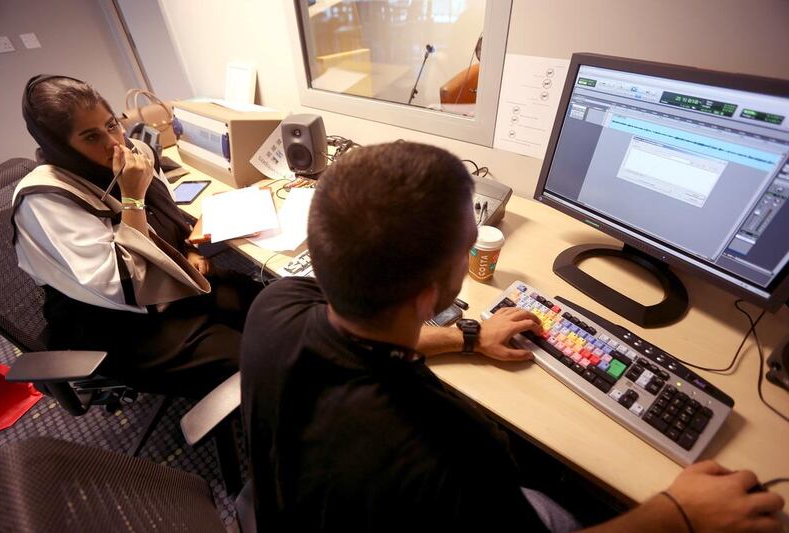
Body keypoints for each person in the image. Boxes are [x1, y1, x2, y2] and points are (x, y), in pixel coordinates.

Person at [241, 141, 786, 532]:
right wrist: (680, 513)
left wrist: (468, 337)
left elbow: (361, 342)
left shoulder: (276, 304)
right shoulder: (449, 447)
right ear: (435, 294)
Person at [13, 75, 261, 398]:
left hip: (173, 284)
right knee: (251, 362)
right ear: (60, 147)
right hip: (118, 323)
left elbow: (167, 220)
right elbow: (123, 284)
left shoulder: (131, 154)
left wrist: (188, 250)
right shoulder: (44, 200)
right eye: (91, 137)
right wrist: (133, 196)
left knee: (266, 304)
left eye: (112, 125)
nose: (114, 143)